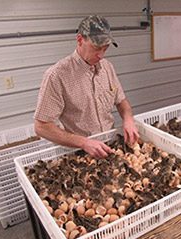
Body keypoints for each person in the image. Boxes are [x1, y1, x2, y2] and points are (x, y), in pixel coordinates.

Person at [34, 15, 139, 158]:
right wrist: (83, 142)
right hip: (77, 153)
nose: (101, 55)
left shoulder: (107, 68)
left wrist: (128, 119)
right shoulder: (57, 76)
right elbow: (41, 127)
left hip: (109, 146)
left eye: (105, 48)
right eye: (96, 47)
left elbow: (121, 102)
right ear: (80, 40)